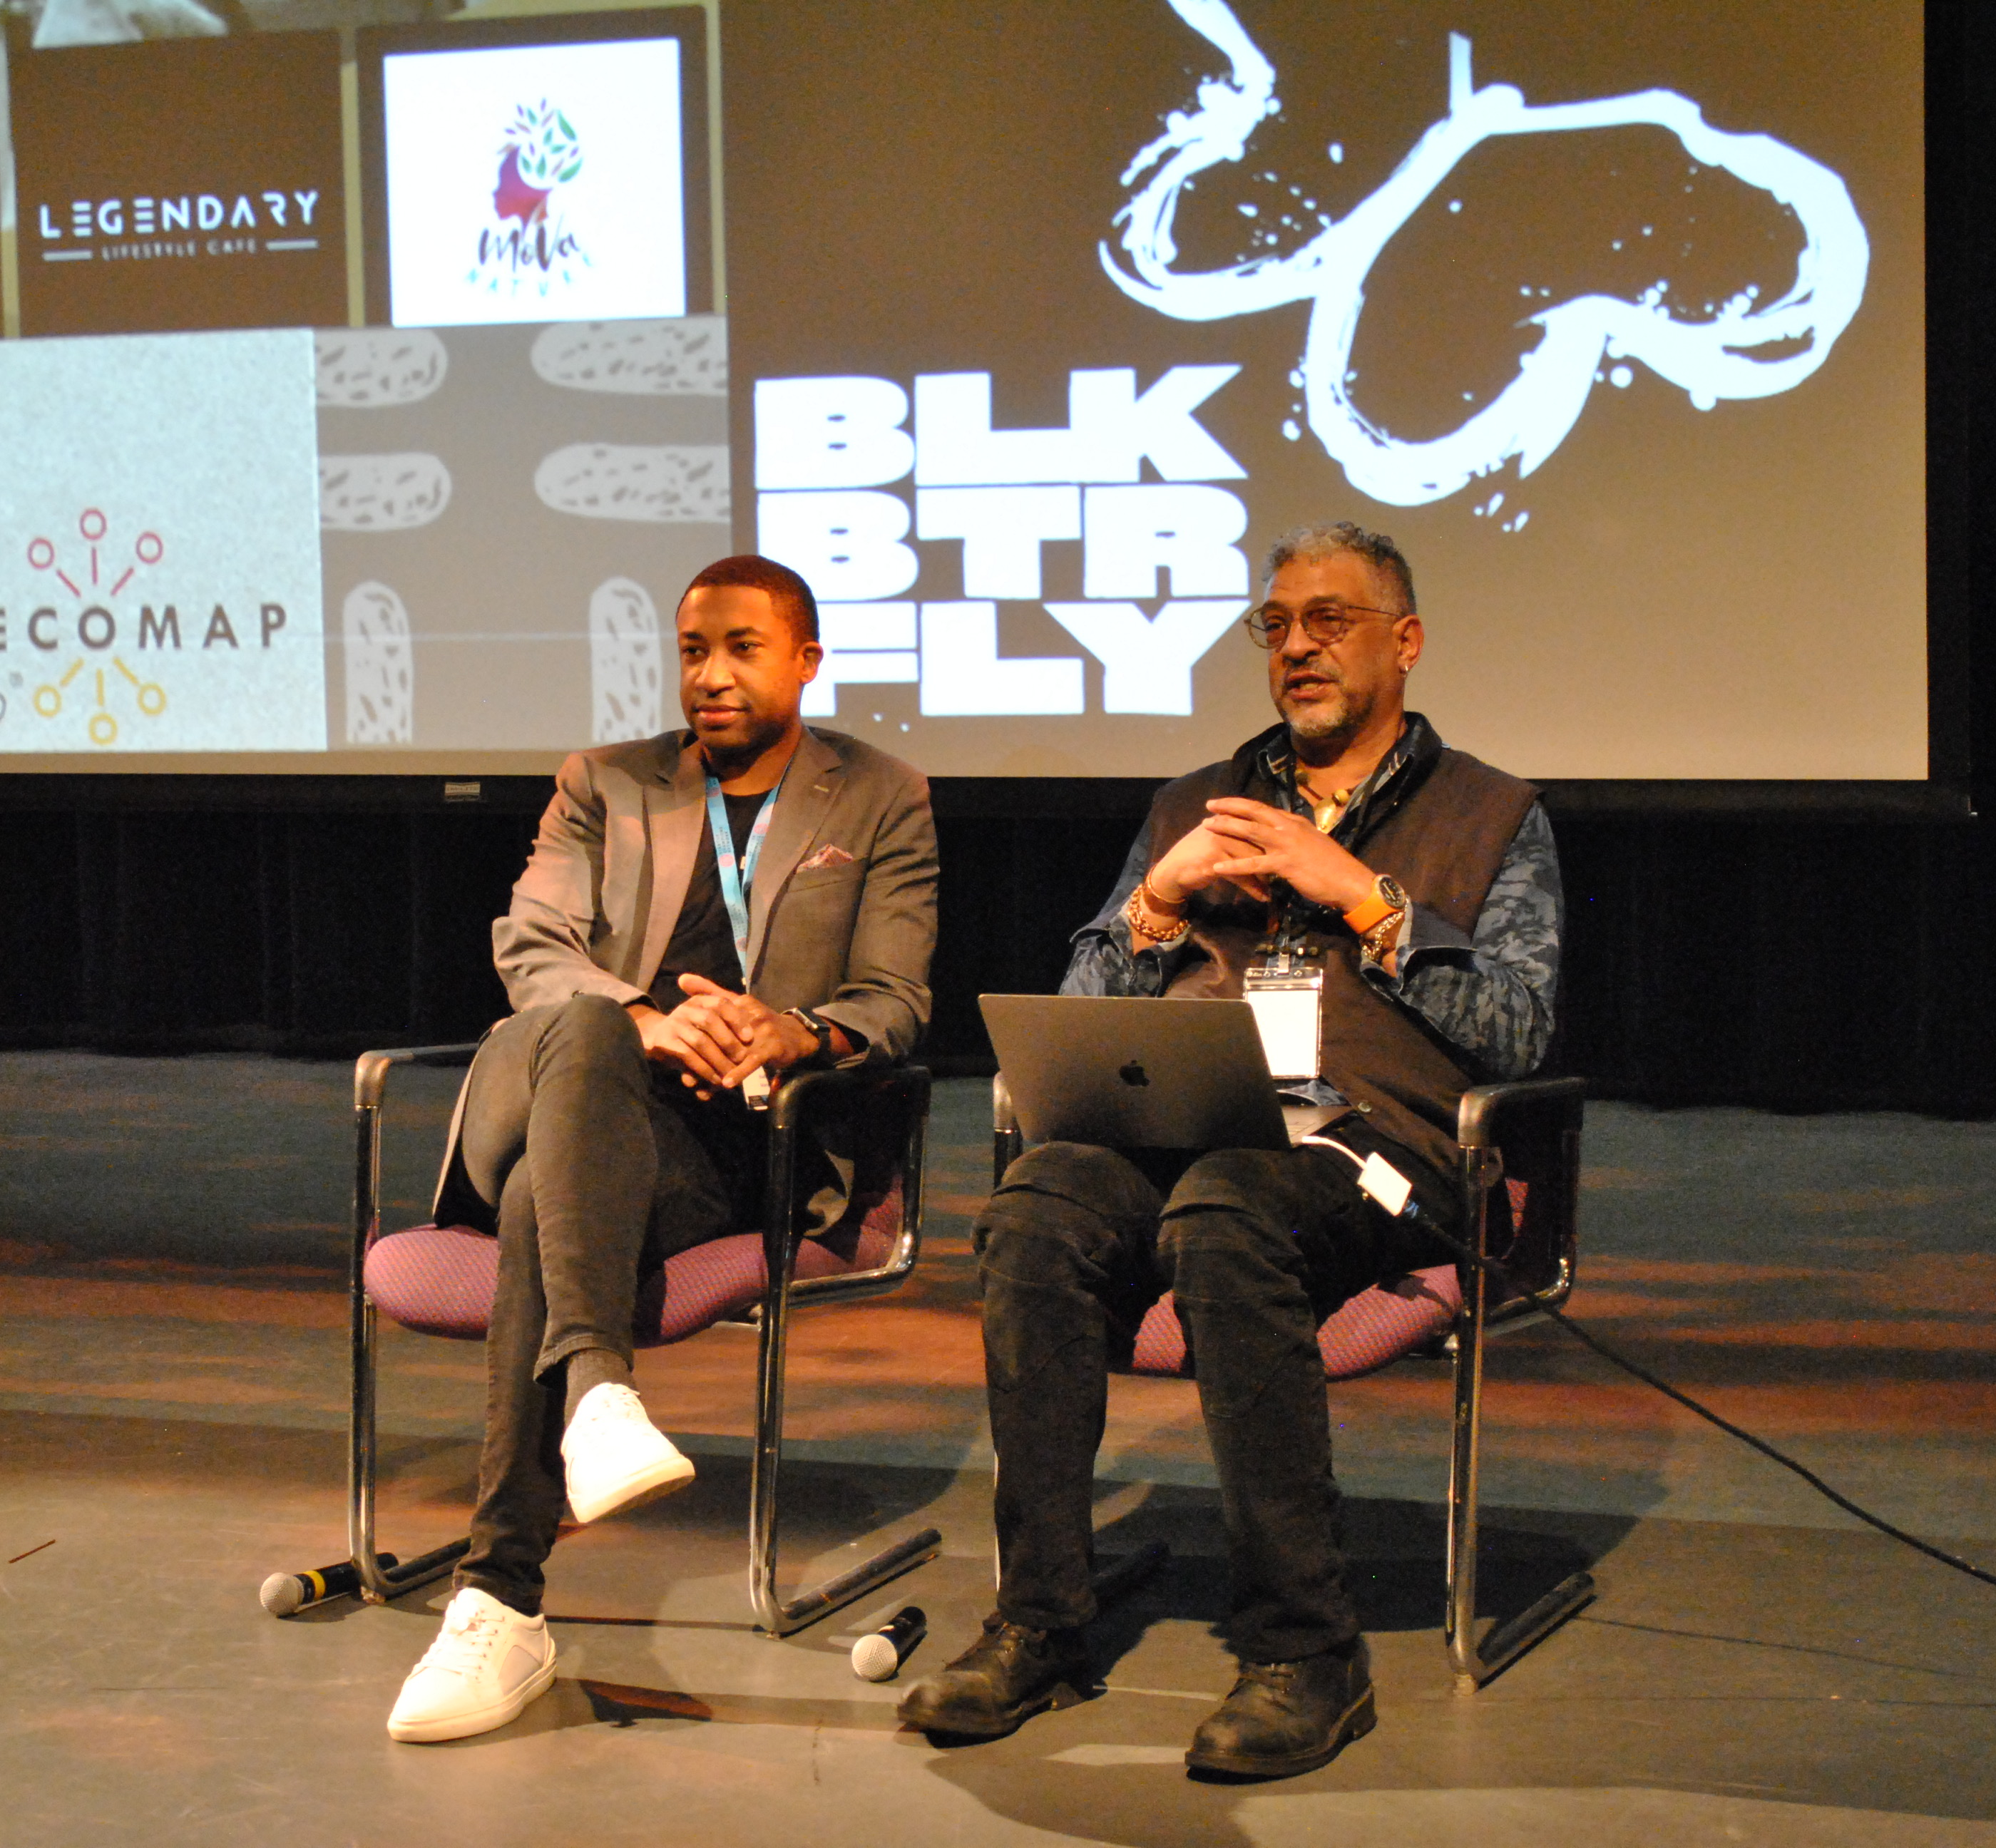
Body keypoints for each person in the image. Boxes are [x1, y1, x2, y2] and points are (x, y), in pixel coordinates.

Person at [897, 520, 1561, 1778]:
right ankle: (1039, 1616)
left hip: (1370, 1148)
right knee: (1037, 1206)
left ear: (1405, 643)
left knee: (1225, 1211)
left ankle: (1305, 1647)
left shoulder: (1495, 814)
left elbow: (1517, 1035)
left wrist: (1360, 895)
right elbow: (1083, 994)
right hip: (1180, 1115)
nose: (1296, 644)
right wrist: (1157, 899)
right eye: (1275, 624)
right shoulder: (1194, 806)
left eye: (1329, 620)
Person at [387, 554, 938, 1745]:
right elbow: (531, 947)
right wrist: (644, 1021)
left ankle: (502, 1595)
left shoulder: (882, 794)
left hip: (733, 1145)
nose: (711, 675)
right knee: (581, 1025)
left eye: (743, 648)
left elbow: (893, 999)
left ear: (806, 658)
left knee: (552, 1196)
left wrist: (794, 1029)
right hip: (563, 1087)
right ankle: (594, 1391)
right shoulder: (602, 782)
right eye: (694, 650)